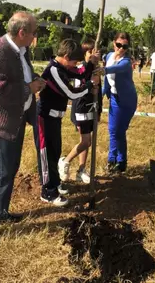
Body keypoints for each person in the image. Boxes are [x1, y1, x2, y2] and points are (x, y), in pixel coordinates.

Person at [0, 12, 45, 249]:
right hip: (0, 124)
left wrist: (33, 79)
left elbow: (21, 76)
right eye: (34, 32)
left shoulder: (20, 51)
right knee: (0, 174)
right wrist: (28, 88)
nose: (35, 36)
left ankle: (0, 211)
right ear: (22, 32)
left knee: (9, 170)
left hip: (15, 120)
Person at [38, 39, 99, 206]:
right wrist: (90, 85)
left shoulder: (63, 68)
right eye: (74, 61)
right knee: (47, 154)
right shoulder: (54, 71)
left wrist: (90, 64)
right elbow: (71, 93)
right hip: (45, 118)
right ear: (65, 56)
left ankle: (55, 183)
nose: (75, 64)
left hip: (56, 117)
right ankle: (47, 191)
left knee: (56, 151)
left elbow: (79, 73)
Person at [59, 39, 102, 184]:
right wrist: (92, 84)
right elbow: (78, 91)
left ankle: (81, 170)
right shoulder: (82, 69)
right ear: (84, 54)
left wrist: (99, 111)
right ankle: (65, 161)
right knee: (86, 141)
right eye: (90, 52)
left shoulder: (96, 69)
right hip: (81, 109)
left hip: (92, 109)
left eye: (95, 52)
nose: (93, 55)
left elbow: (99, 92)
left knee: (86, 141)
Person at [103, 32, 137, 173]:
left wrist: (102, 69)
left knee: (119, 131)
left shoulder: (126, 61)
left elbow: (115, 69)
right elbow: (106, 80)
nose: (121, 48)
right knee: (113, 130)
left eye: (124, 46)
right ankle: (112, 160)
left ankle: (121, 161)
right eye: (118, 45)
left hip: (127, 101)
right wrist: (101, 95)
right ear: (113, 43)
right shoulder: (109, 56)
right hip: (115, 99)